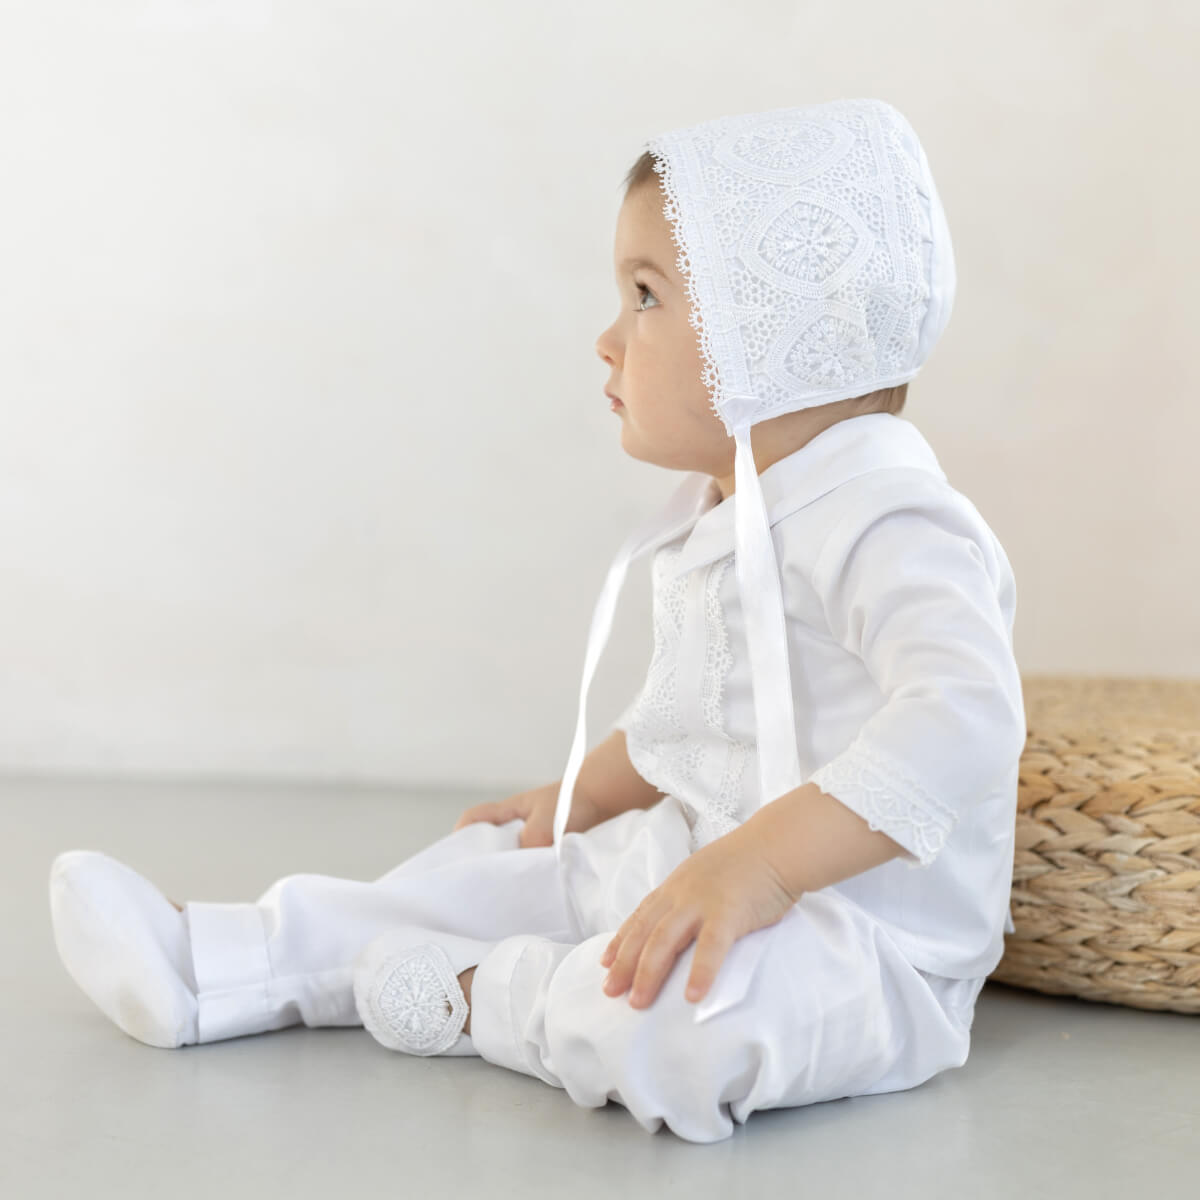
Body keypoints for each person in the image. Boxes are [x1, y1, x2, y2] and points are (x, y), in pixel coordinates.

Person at [48, 98, 1026, 1144]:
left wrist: (767, 865)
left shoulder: (889, 520)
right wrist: (581, 799)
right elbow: (694, 721)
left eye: (645, 296)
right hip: (701, 858)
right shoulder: (732, 512)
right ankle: (217, 961)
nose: (608, 339)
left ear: (776, 336)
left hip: (859, 944)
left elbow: (966, 715)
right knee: (501, 860)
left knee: (687, 1026)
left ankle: (482, 996)